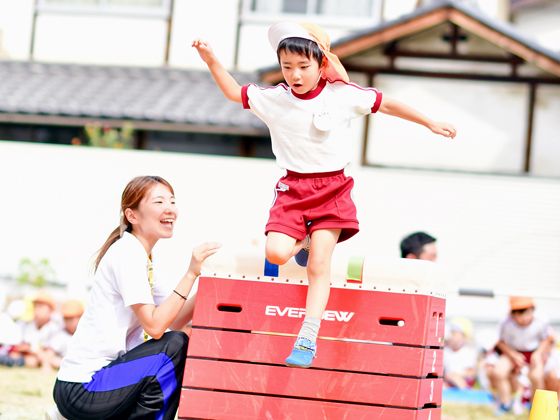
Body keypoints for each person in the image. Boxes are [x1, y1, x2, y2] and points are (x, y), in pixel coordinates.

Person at [193, 22, 456, 368]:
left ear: (321, 64)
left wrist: (430, 123)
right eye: (287, 67)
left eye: (303, 67)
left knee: (320, 265)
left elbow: (388, 104)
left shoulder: (341, 95)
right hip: (292, 190)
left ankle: (307, 335)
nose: (295, 75)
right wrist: (211, 59)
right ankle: (300, 243)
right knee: (276, 251)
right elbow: (233, 93)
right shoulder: (275, 99)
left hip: (333, 190)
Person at [47, 176, 221, 420]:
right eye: (159, 202)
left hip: (99, 381)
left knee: (175, 343)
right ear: (133, 216)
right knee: (175, 345)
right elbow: (156, 326)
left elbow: (174, 318)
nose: (170, 208)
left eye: (172, 201)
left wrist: (210, 283)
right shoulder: (127, 253)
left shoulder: (144, 259)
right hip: (84, 387)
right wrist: (190, 272)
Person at [486, 296, 551, 415]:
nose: (525, 318)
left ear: (533, 310)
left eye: (528, 313)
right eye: (520, 315)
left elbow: (546, 339)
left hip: (533, 352)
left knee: (536, 376)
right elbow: (500, 342)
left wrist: (537, 353)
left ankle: (536, 406)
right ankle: (505, 402)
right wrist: (513, 354)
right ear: (513, 314)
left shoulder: (540, 321)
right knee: (498, 372)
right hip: (514, 351)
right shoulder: (506, 323)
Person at [2, 292, 61, 369]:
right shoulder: (29, 325)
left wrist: (35, 352)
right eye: (35, 307)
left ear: (50, 310)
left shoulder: (55, 328)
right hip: (29, 357)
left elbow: (49, 353)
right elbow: (21, 347)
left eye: (40, 307)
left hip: (44, 358)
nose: (37, 310)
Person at [40, 299, 84, 373]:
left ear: (81, 317)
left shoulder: (87, 333)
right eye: (65, 318)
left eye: (71, 318)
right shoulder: (61, 335)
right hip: (67, 363)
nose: (67, 322)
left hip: (85, 364)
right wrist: (46, 366)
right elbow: (49, 353)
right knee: (55, 361)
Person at [444, 317, 477, 389]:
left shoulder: (467, 351)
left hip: (463, 380)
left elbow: (471, 371)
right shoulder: (446, 350)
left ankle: (465, 392)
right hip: (448, 380)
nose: (451, 336)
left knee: (455, 378)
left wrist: (458, 375)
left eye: (454, 334)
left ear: (463, 336)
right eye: (451, 333)